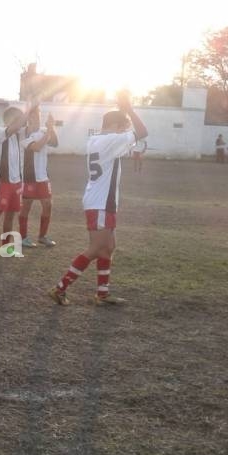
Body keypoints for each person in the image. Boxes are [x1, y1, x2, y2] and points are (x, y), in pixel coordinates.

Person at [48, 92, 147, 306]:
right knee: (96, 247)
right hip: (101, 202)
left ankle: (102, 293)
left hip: (102, 201)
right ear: (115, 125)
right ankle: (60, 288)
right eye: (124, 125)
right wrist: (129, 108)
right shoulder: (111, 140)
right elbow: (142, 132)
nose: (125, 130)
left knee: (108, 246)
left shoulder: (95, 139)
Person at [0, 101, 35, 257]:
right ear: (10, 120)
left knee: (10, 215)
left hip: (17, 182)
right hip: (3, 182)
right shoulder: (0, 132)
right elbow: (14, 127)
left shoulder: (20, 135)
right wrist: (28, 110)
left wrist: (35, 110)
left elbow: (32, 128)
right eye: (19, 119)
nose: (22, 122)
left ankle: (6, 248)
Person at [19, 106, 58, 248]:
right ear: (28, 118)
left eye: (39, 116)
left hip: (43, 176)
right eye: (34, 116)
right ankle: (23, 237)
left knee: (48, 205)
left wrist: (51, 127)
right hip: (29, 177)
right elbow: (36, 147)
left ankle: (42, 236)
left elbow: (54, 143)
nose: (37, 119)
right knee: (26, 207)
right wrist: (48, 132)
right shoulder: (24, 134)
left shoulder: (43, 132)